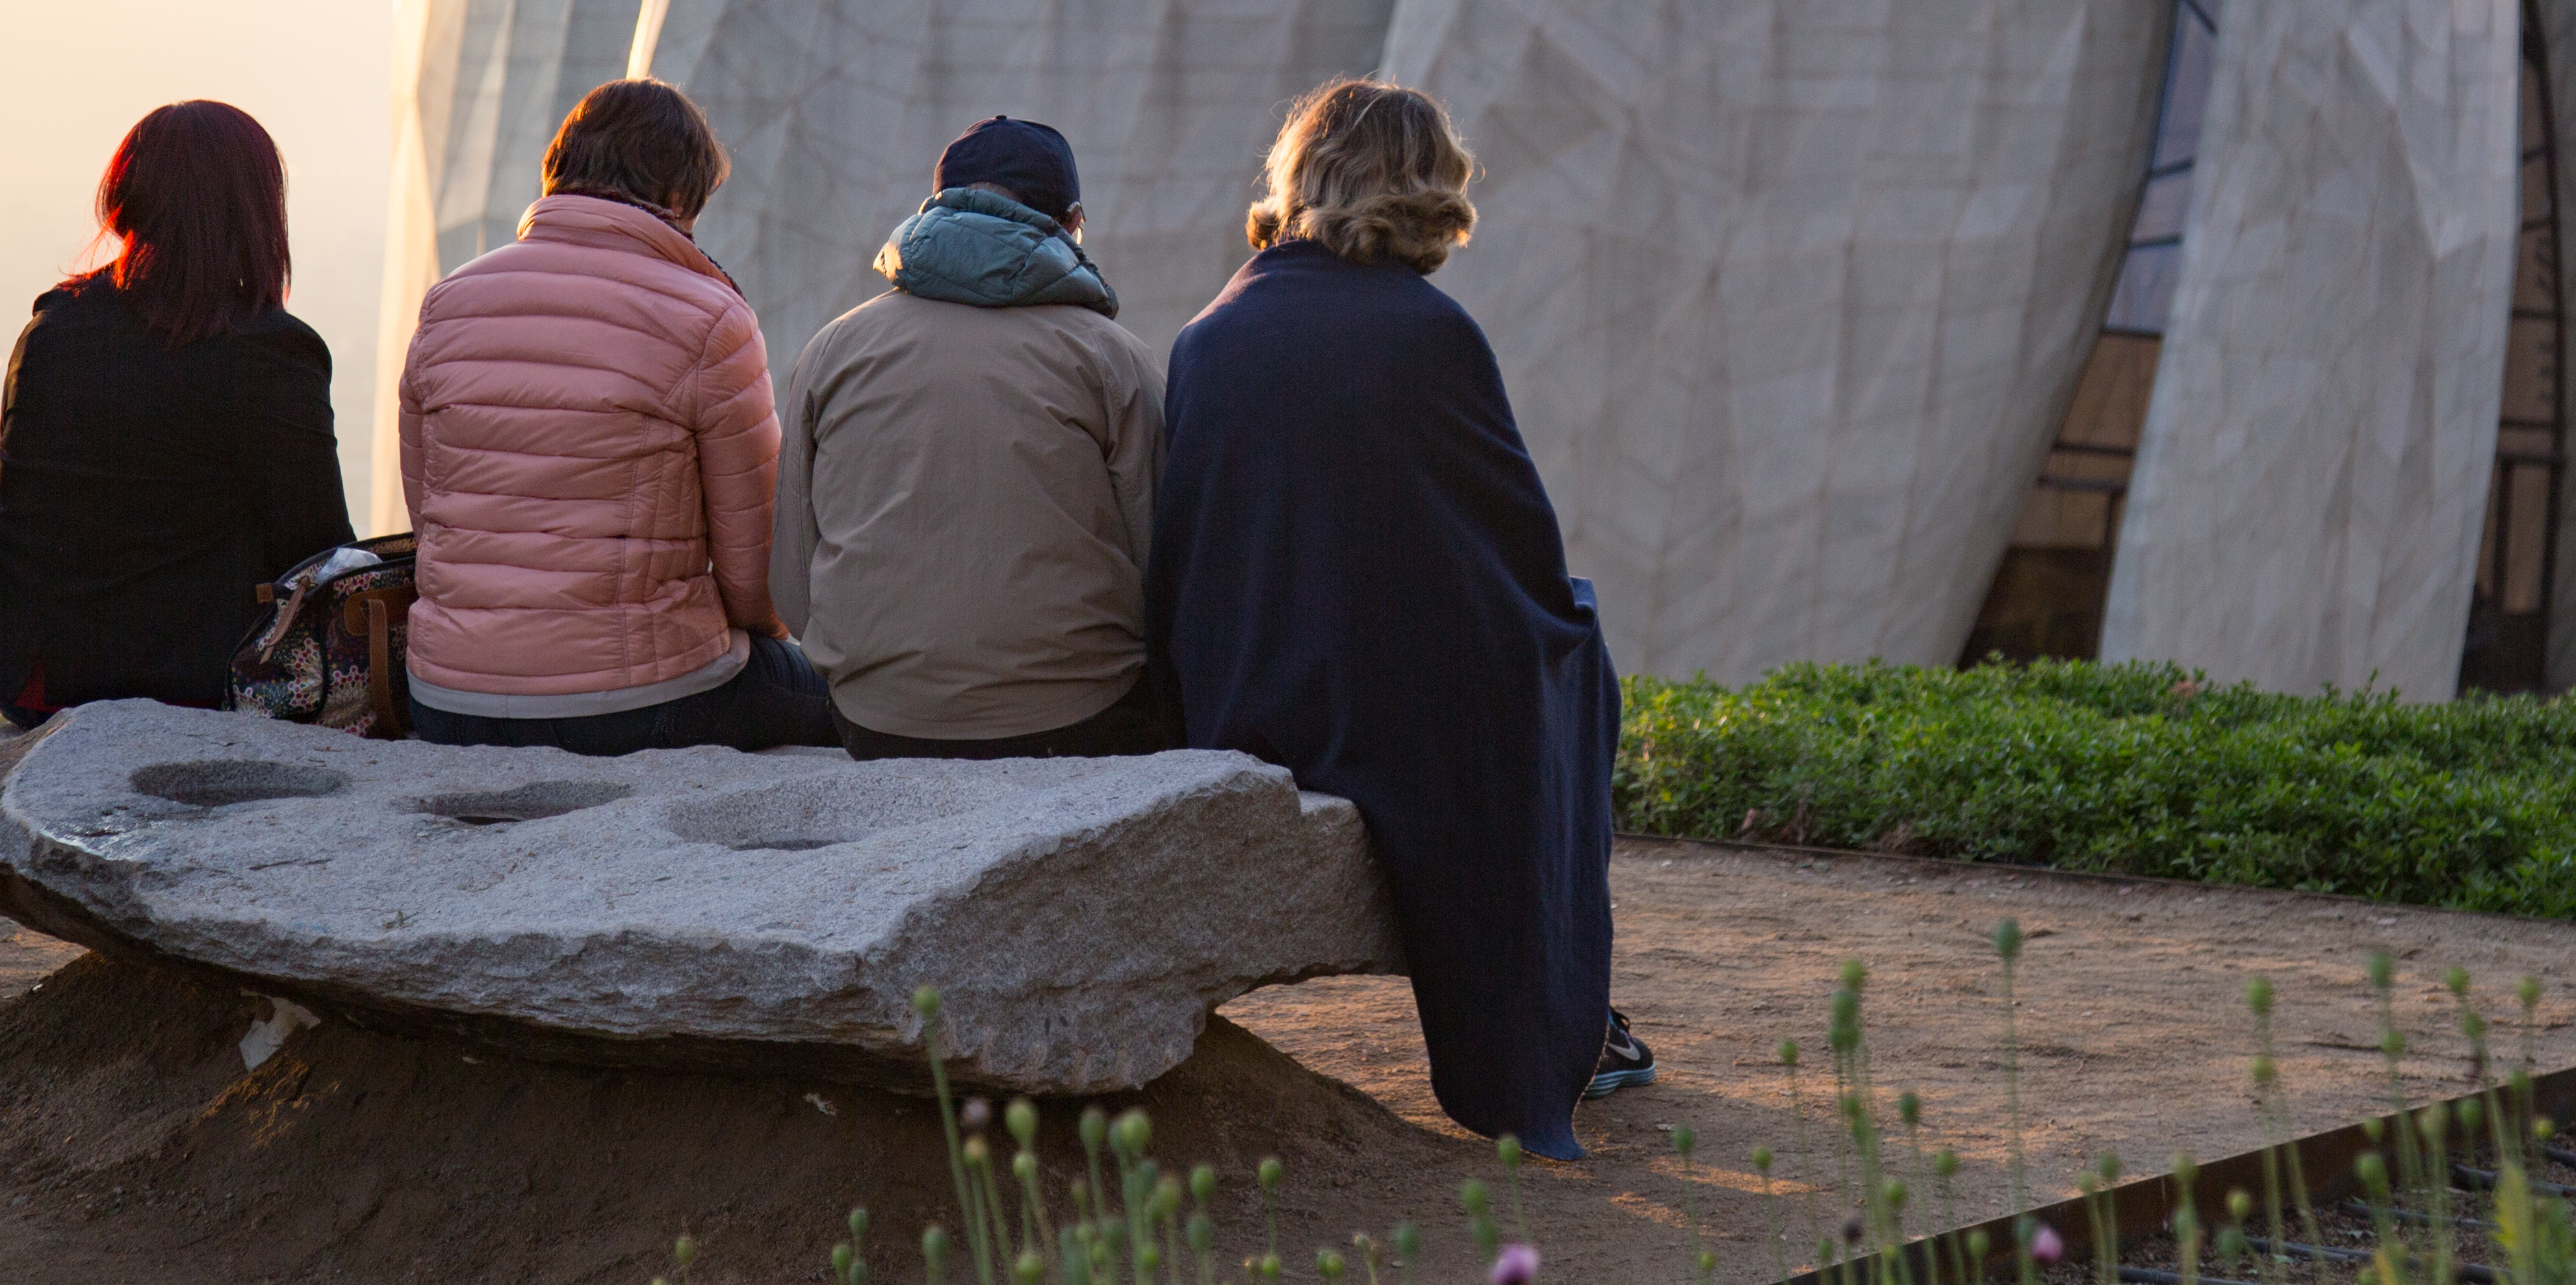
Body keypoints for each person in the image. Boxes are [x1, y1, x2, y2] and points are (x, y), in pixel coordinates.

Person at [1147, 78, 1644, 1162]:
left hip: (1238, 694)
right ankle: (1564, 1022)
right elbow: (1513, 550)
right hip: (1376, 710)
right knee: (1573, 653)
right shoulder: (1429, 334)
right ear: (1423, 191)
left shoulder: (1209, 332)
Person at [396, 77, 831, 754]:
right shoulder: (710, 319)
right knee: (852, 696)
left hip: (448, 700)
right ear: (681, 197)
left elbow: (433, 516)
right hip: (634, 705)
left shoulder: (448, 303)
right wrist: (762, 635)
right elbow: (754, 573)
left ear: (558, 171)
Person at [0, 101, 355, 726]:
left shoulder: (52, 330)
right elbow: (317, 551)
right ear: (255, 211)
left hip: (34, 675)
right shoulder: (273, 353)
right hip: (188, 681)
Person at [771, 117, 1173, 759]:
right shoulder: (1113, 357)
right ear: (1072, 222)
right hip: (1079, 718)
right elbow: (1165, 571)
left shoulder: (832, 350)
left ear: (934, 211)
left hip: (877, 722)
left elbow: (793, 585)